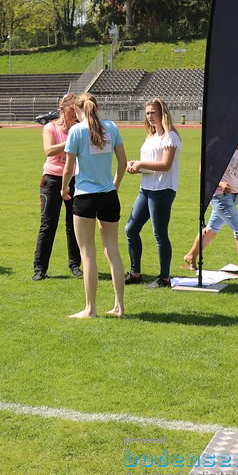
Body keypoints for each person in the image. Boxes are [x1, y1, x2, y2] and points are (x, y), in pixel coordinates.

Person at [61, 93, 128, 318]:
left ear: (77, 109)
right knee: (113, 251)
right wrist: (114, 185)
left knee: (87, 253)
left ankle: (91, 309)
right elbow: (123, 162)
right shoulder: (111, 127)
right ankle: (119, 306)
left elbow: (68, 169)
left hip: (86, 197)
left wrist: (64, 188)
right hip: (109, 195)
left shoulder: (76, 131)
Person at [182, 136, 238, 285]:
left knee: (212, 229)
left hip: (234, 195)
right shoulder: (217, 144)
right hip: (220, 196)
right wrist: (220, 183)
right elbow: (203, 170)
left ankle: (191, 255)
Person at [123, 98, 181, 288]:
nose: (149, 117)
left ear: (162, 113)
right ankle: (136, 274)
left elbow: (165, 165)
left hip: (162, 190)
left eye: (153, 113)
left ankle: (164, 278)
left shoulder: (170, 137)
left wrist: (141, 165)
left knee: (159, 234)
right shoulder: (151, 136)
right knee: (130, 229)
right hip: (146, 188)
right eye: (147, 113)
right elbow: (149, 162)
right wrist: (135, 165)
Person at [32, 93, 83, 281]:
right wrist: (72, 142)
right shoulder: (50, 127)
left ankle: (75, 265)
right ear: (63, 110)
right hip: (52, 180)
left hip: (75, 179)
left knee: (74, 224)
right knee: (48, 224)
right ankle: (39, 268)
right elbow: (49, 150)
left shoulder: (79, 128)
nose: (76, 113)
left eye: (77, 109)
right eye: (72, 109)